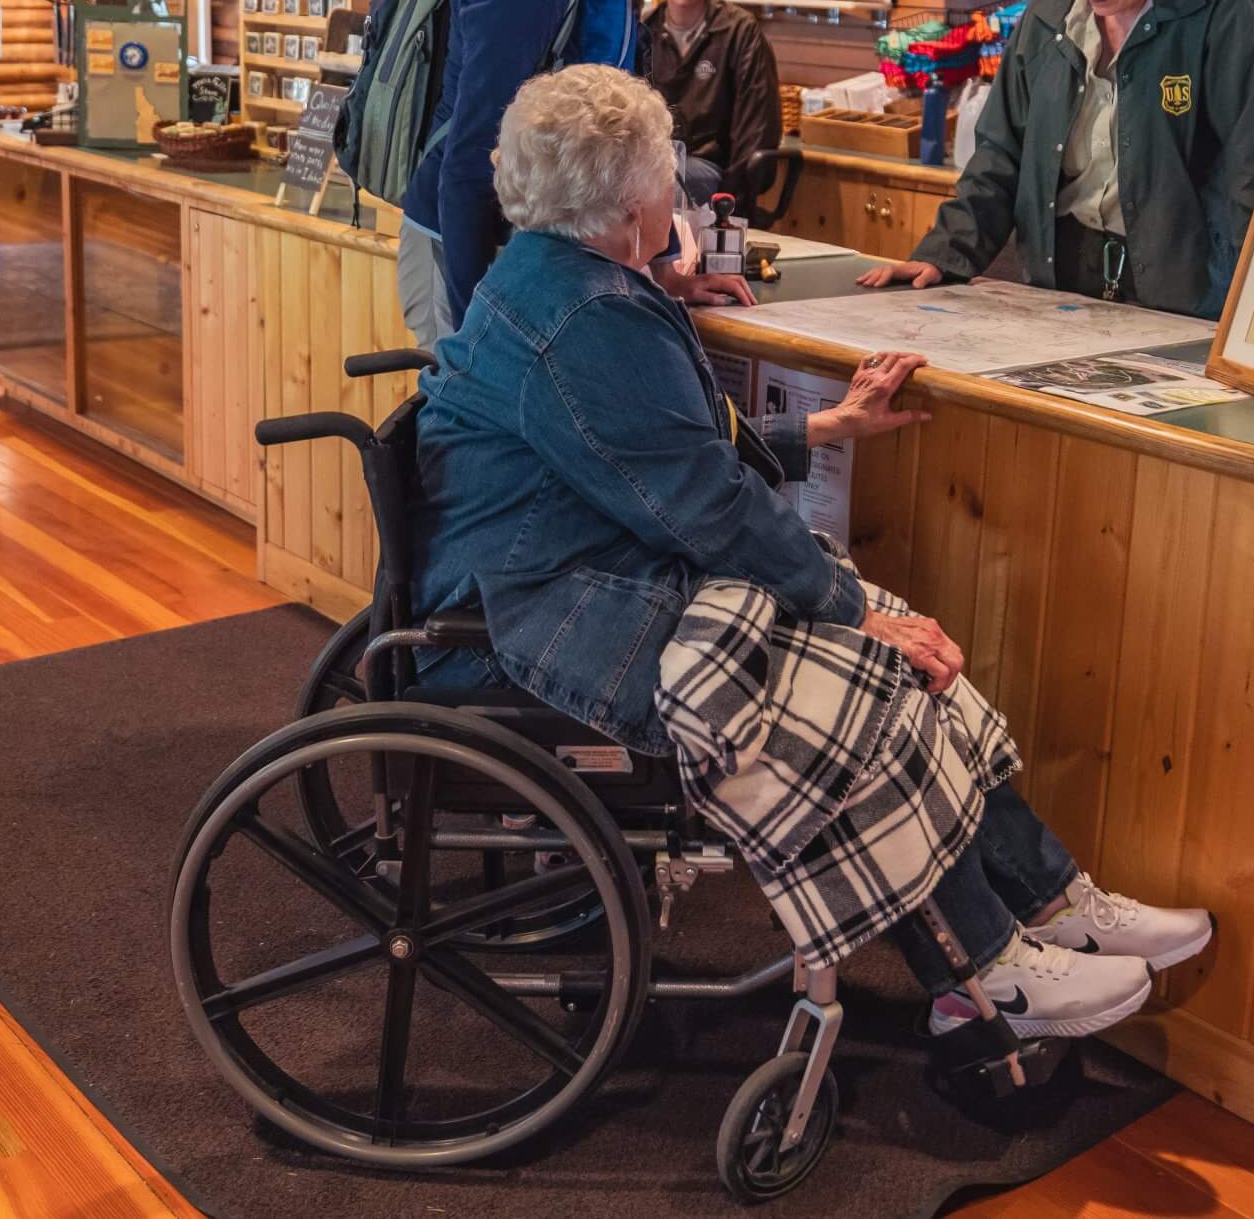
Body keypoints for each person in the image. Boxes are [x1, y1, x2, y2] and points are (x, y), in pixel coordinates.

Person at [411, 65, 1211, 1039]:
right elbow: (701, 500)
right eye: (670, 172)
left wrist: (816, 430)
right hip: (550, 614)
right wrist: (847, 607)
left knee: (894, 655)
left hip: (576, 571)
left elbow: (653, 456)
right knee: (873, 675)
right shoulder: (591, 316)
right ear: (630, 198)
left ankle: (1048, 901)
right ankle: (986, 968)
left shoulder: (563, 275)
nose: (684, 190)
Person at [859, 0, 1254, 318]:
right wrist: (943, 253)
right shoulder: (1047, 18)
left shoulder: (1217, 12)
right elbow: (999, 155)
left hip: (1181, 287)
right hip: (1061, 281)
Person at [395, 0, 739, 346]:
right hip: (466, 256)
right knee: (474, 432)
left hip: (545, 261)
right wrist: (481, 329)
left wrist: (663, 270)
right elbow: (470, 162)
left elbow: (629, 141)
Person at [642, 0, 783, 204]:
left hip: (711, 167)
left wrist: (733, 194)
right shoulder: (645, 32)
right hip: (656, 162)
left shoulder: (739, 31)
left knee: (660, 187)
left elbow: (758, 124)